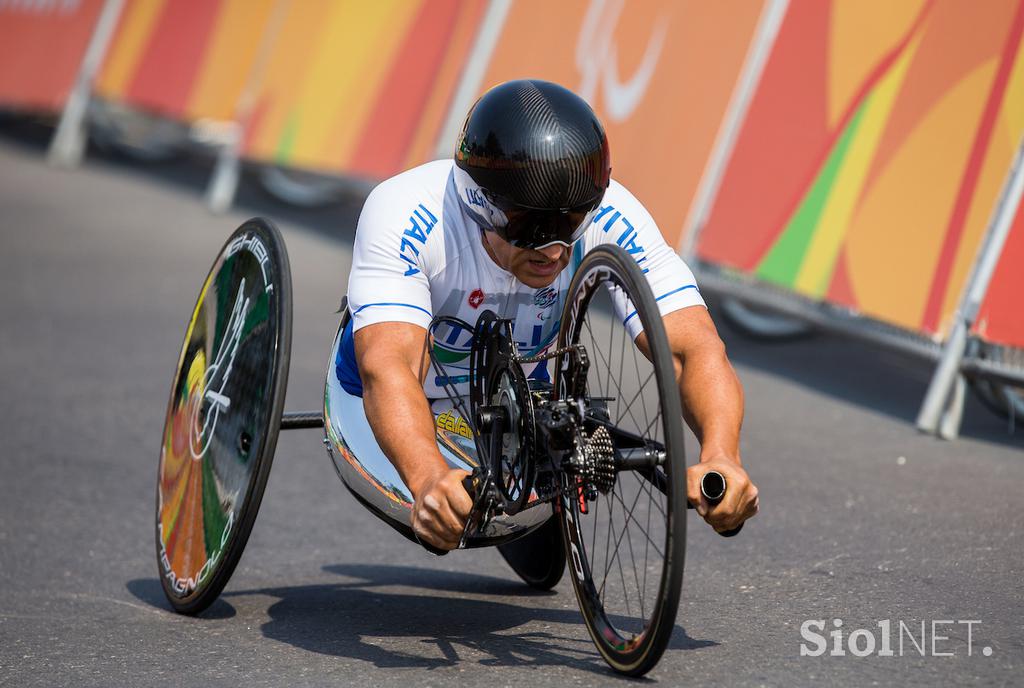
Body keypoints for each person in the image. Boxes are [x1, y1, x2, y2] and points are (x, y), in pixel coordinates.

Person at [337, 79, 759, 560]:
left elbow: (692, 348)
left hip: (514, 404)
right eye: (530, 227)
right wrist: (426, 475)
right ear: (480, 204)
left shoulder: (611, 210)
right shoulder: (405, 210)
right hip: (385, 394)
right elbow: (386, 365)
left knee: (539, 561)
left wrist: (722, 453)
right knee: (442, 499)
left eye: (571, 223)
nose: (555, 248)